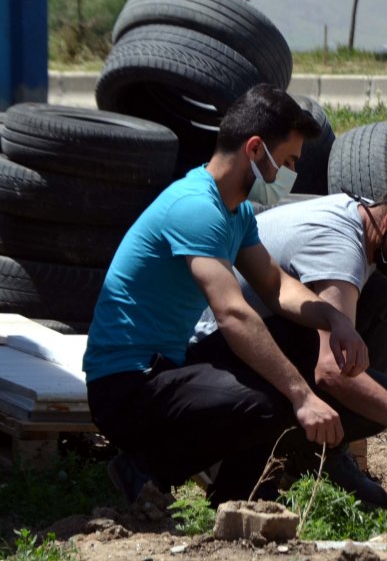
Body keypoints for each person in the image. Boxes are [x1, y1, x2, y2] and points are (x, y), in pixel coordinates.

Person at [83, 84, 368, 506]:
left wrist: (334, 320)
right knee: (273, 400)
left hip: (166, 368)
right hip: (127, 386)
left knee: (294, 352)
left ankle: (239, 494)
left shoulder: (237, 212)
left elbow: (274, 285)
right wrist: (302, 395)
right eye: (287, 161)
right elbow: (233, 314)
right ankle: (144, 469)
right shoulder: (196, 207)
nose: (288, 175)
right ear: (255, 150)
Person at [189, 166, 387, 506]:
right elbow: (331, 373)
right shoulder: (339, 248)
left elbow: (359, 330)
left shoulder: (366, 218)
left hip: (245, 349)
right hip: (213, 366)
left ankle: (318, 454)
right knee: (380, 394)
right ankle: (251, 473)